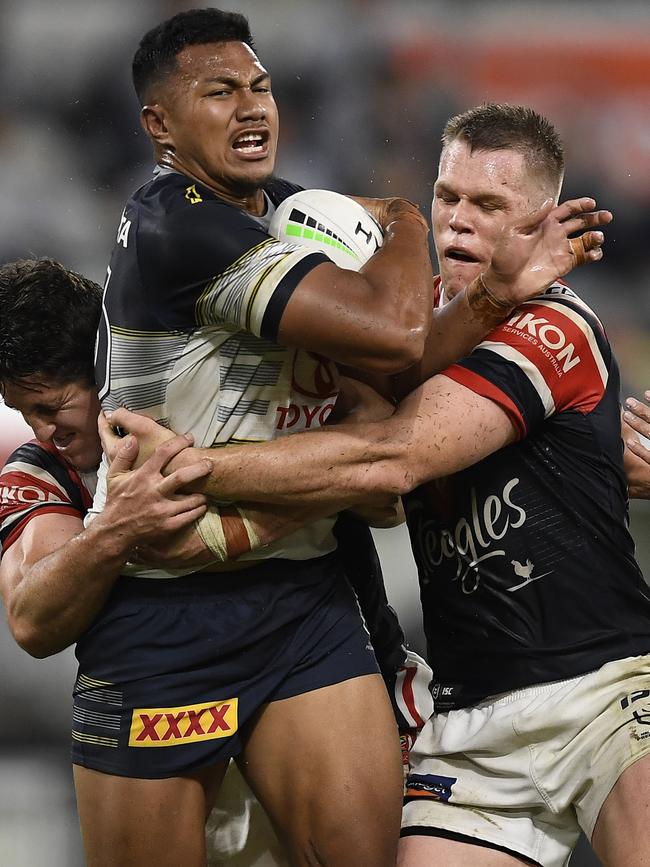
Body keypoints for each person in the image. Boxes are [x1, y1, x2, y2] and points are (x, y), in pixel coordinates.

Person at [86, 7, 609, 865]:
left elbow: (397, 371)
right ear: (159, 125)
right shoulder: (176, 225)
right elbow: (397, 332)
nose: (252, 108)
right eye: (218, 92)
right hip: (167, 603)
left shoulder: (282, 207)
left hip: (300, 595)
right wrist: (404, 215)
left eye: (260, 87)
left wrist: (494, 294)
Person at [0, 257, 433, 866]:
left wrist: (244, 515)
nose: (43, 432)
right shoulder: (39, 473)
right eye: (25, 414)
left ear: (105, 369)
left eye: (51, 406)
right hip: (164, 687)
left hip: (306, 643)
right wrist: (116, 529)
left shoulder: (238, 389)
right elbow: (32, 621)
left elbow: (384, 486)